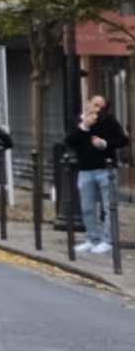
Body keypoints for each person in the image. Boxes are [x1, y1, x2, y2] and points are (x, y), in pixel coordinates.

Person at [67, 94, 127, 257]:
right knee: (87, 208)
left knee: (109, 207)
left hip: (106, 169)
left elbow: (123, 140)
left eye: (101, 107)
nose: (98, 109)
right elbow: (70, 141)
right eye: (95, 104)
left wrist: (105, 143)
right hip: (85, 170)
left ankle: (107, 240)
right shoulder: (78, 121)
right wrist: (84, 126)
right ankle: (92, 238)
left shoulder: (109, 121)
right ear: (88, 104)